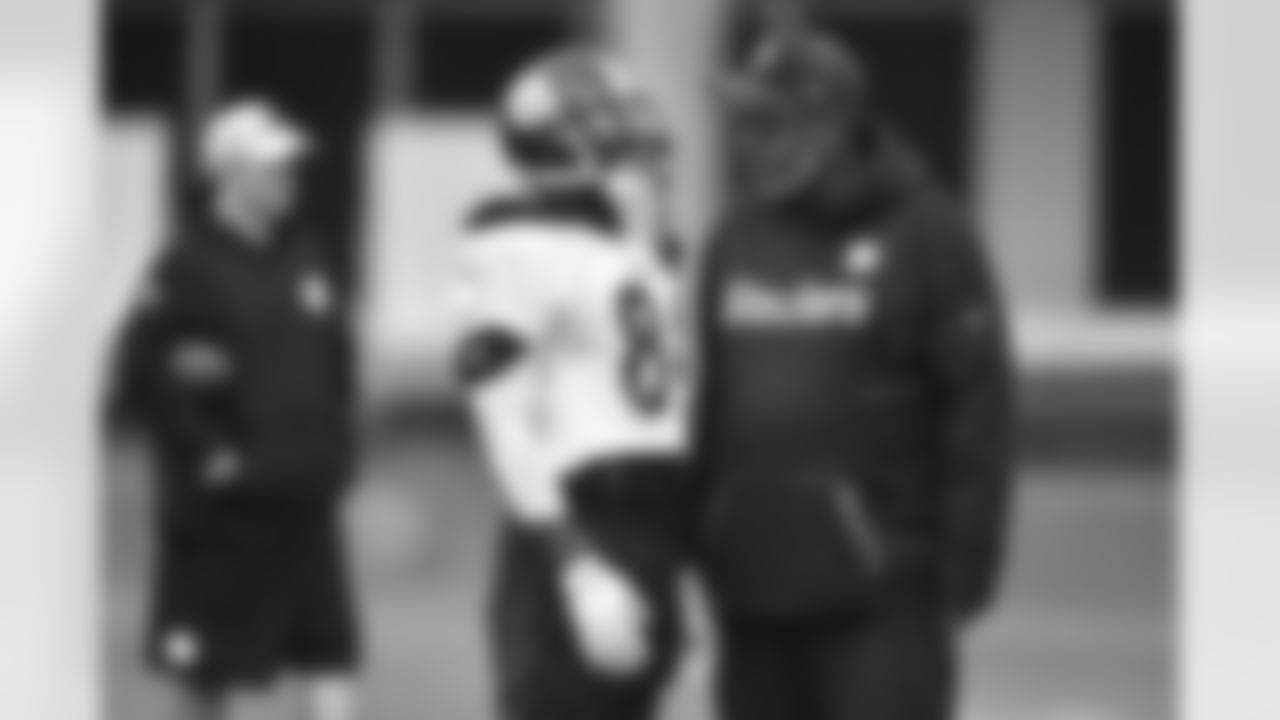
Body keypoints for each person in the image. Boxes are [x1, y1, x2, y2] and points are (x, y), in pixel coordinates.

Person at [693, 29, 1016, 720]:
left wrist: (968, 564)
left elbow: (978, 407)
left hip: (883, 595)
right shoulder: (735, 237)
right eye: (742, 124)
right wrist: (695, 543)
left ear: (832, 126)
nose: (748, 143)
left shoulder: (929, 232)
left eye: (768, 123)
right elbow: (708, 398)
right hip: (754, 586)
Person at [449, 46, 697, 720]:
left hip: (648, 528)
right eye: (614, 118)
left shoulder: (624, 246)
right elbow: (503, 418)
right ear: (560, 139)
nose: (638, 132)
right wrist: (576, 565)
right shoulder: (516, 246)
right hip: (579, 524)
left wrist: (673, 564)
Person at [120, 100, 362, 720]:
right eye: (273, 166)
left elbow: (336, 362)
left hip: (305, 501)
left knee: (330, 660)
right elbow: (144, 377)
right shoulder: (186, 266)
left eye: (292, 166)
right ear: (228, 172)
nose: (289, 178)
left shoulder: (304, 253)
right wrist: (213, 458)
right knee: (208, 673)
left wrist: (338, 449)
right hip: (224, 518)